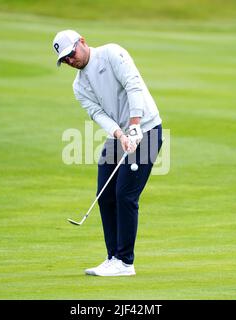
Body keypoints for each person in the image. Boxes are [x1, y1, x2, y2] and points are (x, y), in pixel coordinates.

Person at [53, 30, 162, 276]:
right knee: (105, 194)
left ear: (82, 42)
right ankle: (112, 256)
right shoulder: (79, 85)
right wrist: (121, 135)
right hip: (120, 135)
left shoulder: (112, 53)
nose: (71, 60)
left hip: (147, 130)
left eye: (71, 53)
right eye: (65, 59)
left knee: (125, 194)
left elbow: (133, 84)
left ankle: (125, 262)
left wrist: (135, 125)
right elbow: (98, 114)